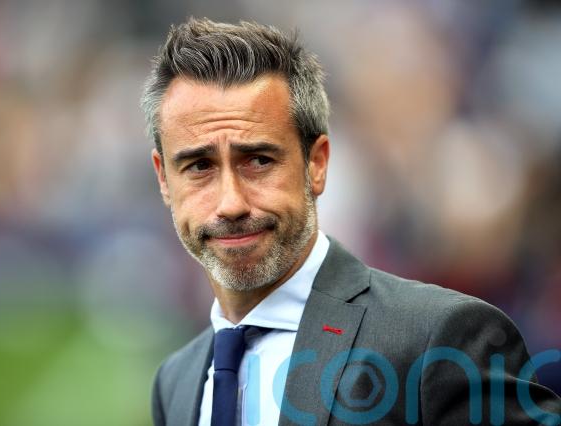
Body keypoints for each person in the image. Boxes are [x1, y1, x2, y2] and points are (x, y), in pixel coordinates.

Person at [141, 18, 561, 425]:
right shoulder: (176, 380)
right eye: (199, 166)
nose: (231, 203)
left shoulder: (441, 338)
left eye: (259, 161)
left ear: (317, 164)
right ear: (163, 179)